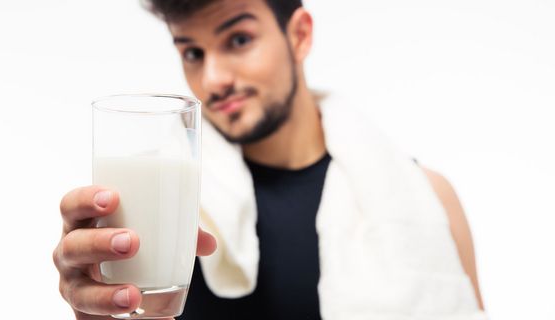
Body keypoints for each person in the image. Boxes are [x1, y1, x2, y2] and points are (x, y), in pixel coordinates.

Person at [53, 0, 486, 319]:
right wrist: (102, 312)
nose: (214, 78)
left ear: (299, 35)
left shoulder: (425, 196)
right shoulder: (163, 210)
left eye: (238, 40)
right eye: (192, 53)